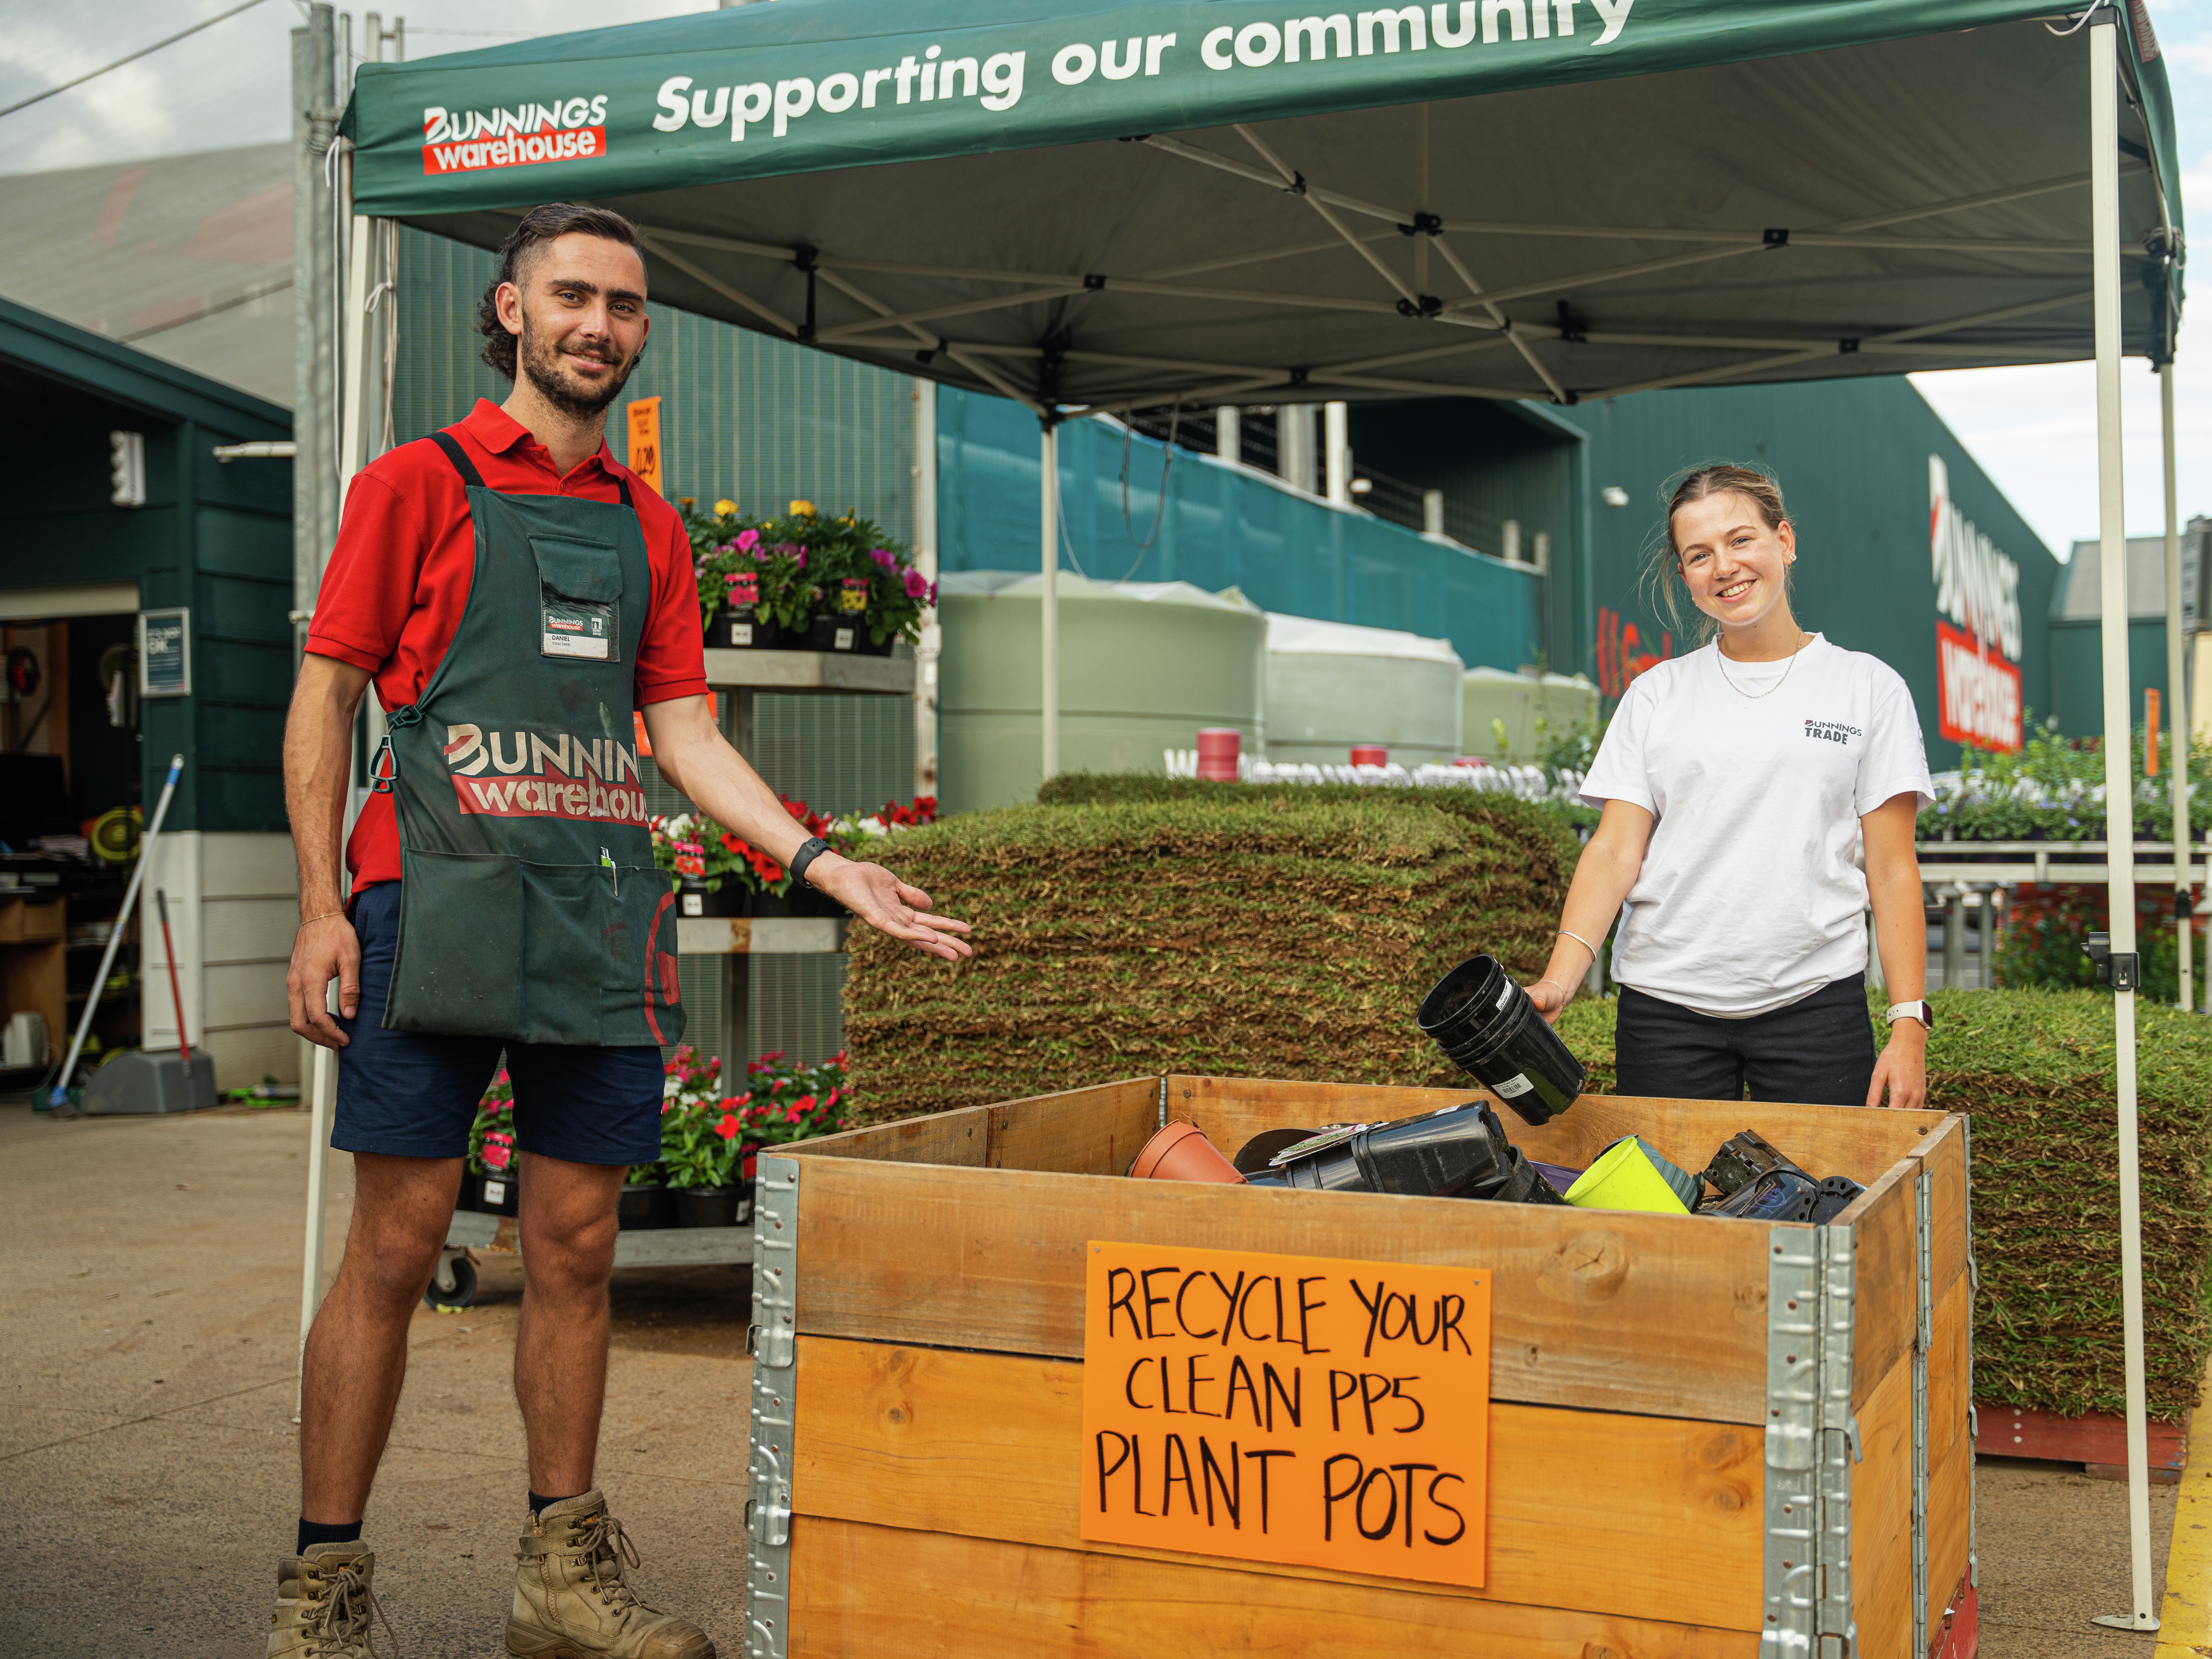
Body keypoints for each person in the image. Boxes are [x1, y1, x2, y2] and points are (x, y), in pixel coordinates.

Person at [273, 202, 971, 1659]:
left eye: (626, 306)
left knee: (579, 1241)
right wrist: (322, 905)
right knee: (396, 1245)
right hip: (430, 898)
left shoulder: (651, 525)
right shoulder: (416, 482)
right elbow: (325, 697)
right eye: (573, 296)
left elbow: (683, 731)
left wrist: (825, 859)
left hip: (594, 912)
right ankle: (323, 1584)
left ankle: (559, 1575)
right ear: (512, 312)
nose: (601, 324)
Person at [1526, 463, 1934, 1109]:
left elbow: (1891, 868)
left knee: (1820, 1206)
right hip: (1665, 1009)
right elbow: (1614, 851)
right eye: (1699, 554)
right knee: (1669, 1207)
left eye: (1741, 540)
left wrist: (1908, 1022)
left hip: (1816, 1004)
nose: (1724, 566)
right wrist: (1559, 979)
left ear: (1785, 541)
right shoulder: (1655, 693)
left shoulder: (1868, 688)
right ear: (1684, 575)